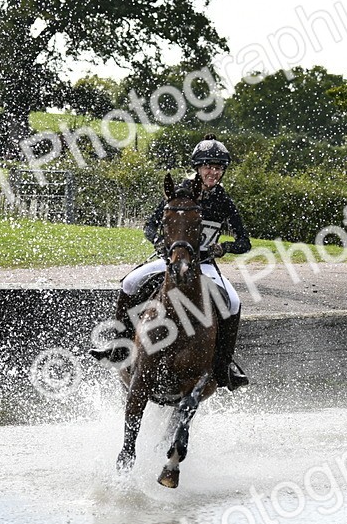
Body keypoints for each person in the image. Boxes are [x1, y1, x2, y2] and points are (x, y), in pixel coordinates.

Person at [90, 135, 251, 390]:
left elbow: (245, 242)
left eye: (219, 167)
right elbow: (150, 226)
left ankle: (224, 364)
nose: (214, 172)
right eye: (208, 166)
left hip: (204, 265)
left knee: (233, 302)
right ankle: (120, 344)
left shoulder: (223, 201)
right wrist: (158, 242)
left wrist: (222, 248)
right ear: (198, 167)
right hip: (170, 260)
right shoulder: (180, 191)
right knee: (130, 283)